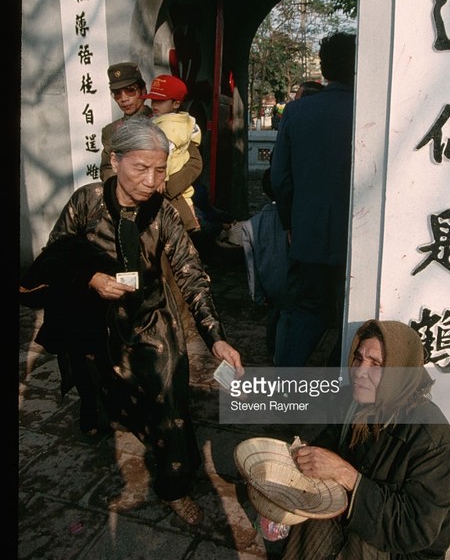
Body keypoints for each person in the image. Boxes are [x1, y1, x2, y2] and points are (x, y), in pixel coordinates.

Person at [20, 116, 243, 527]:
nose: (151, 181)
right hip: (99, 323)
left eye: (160, 170)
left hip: (152, 318)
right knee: (111, 390)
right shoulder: (86, 202)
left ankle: (174, 486)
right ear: (115, 160)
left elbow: (192, 274)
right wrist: (90, 278)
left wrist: (215, 338)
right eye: (140, 168)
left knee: (172, 402)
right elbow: (54, 255)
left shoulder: (164, 213)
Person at [258, 319, 450, 560]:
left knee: (332, 504)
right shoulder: (360, 402)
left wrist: (345, 474)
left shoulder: (433, 441)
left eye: (376, 364)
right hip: (368, 547)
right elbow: (324, 442)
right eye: (358, 358)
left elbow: (414, 529)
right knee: (316, 488)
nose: (360, 371)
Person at [270, 32, 356, 367]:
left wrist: (290, 222)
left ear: (324, 67)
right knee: (356, 309)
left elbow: (280, 178)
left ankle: (285, 379)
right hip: (361, 232)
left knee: (308, 308)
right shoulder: (372, 107)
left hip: (311, 229)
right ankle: (342, 382)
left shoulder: (297, 111)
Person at [144, 73, 203, 234]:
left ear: (176, 103)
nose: (155, 104)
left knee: (180, 211)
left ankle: (193, 230)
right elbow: (195, 134)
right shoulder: (183, 120)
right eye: (153, 100)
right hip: (178, 174)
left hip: (171, 174)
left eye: (160, 101)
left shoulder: (168, 126)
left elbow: (165, 152)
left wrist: (163, 175)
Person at [240, 168, 289, 356]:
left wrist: (256, 294)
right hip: (293, 286)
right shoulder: (294, 220)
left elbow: (250, 266)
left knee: (275, 320)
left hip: (270, 286)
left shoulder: (251, 224)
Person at [99, 62, 152, 181]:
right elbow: (107, 168)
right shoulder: (110, 131)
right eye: (117, 93)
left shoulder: (163, 122)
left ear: (143, 91)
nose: (123, 99)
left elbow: (192, 164)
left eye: (130, 90)